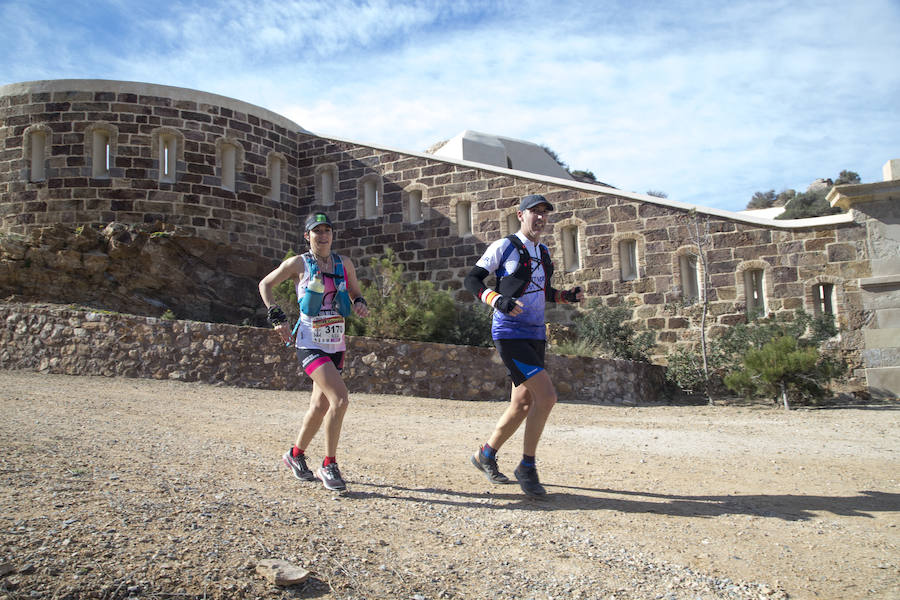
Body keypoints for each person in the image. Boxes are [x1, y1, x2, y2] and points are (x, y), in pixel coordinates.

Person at [464, 194, 583, 497]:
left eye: (545, 213)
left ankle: (485, 455)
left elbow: (541, 291)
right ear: (520, 215)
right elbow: (473, 280)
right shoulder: (505, 246)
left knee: (522, 404)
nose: (541, 218)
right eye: (535, 212)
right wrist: (497, 300)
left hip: (535, 334)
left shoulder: (543, 252)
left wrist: (565, 297)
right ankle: (526, 466)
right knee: (548, 396)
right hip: (509, 333)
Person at [258, 212, 369, 492]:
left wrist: (359, 304)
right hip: (309, 342)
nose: (323, 235)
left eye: (327, 230)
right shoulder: (299, 263)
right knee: (340, 400)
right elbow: (265, 284)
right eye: (316, 231)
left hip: (336, 344)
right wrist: (277, 317)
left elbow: (356, 292)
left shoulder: (344, 264)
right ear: (307, 236)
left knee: (319, 406)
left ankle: (295, 456)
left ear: (332, 234)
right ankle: (329, 464)